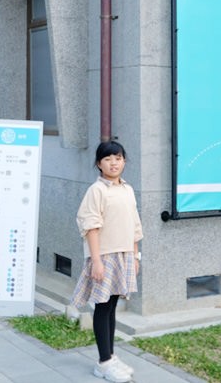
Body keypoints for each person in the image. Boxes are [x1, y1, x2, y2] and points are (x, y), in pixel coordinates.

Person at [71, 141, 143, 383]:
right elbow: (90, 226)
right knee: (102, 307)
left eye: (118, 158)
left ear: (124, 161)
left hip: (124, 255)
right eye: (108, 159)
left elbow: (134, 225)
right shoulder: (97, 190)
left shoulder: (127, 189)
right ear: (99, 163)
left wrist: (135, 255)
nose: (114, 163)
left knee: (112, 306)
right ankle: (103, 363)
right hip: (104, 256)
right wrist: (96, 261)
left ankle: (110, 356)